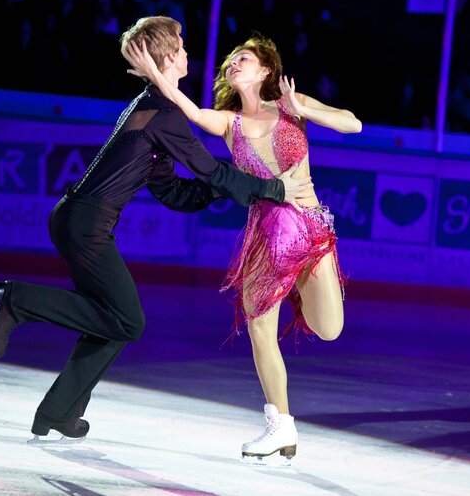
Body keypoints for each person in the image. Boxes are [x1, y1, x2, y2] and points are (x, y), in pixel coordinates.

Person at [0, 17, 313, 442]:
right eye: (182, 45)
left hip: (80, 220)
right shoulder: (163, 113)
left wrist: (220, 188)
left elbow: (174, 192)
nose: (189, 52)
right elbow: (210, 171)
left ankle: (59, 411)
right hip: (86, 224)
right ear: (169, 57)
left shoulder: (152, 107)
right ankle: (16, 300)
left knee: (111, 319)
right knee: (128, 321)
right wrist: (273, 189)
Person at [124, 34, 362, 463]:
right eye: (231, 59)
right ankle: (280, 425)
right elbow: (190, 109)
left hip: (308, 230)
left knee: (329, 329)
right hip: (265, 234)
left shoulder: (291, 106)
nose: (233, 63)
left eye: (244, 57)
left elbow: (353, 123)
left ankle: (300, 298)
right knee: (258, 327)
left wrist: (304, 108)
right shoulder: (229, 123)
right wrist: (157, 73)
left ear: (266, 69)